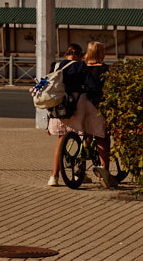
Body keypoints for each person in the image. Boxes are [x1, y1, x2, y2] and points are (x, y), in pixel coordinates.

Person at [47, 40, 114, 188]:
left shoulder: (56, 65)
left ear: (66, 54)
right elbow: (91, 85)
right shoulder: (82, 66)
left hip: (59, 106)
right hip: (77, 106)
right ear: (79, 55)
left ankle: (54, 176)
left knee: (61, 140)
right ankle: (104, 175)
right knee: (99, 135)